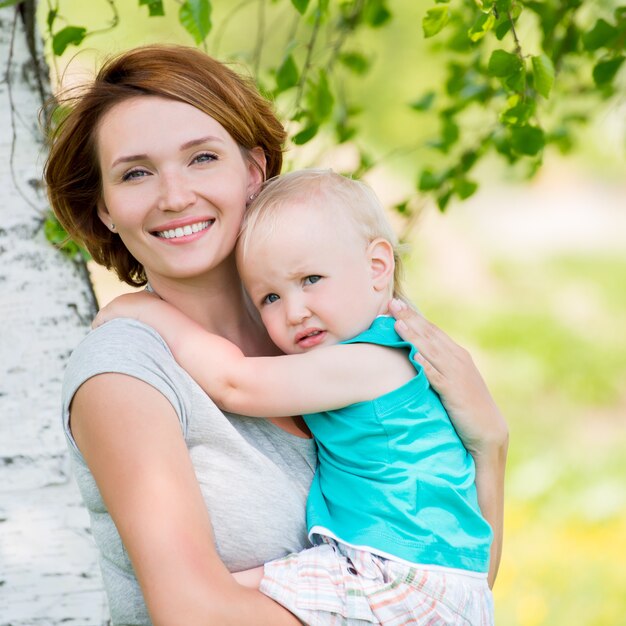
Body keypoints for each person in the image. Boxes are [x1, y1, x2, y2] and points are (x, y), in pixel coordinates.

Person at [44, 44, 508, 625]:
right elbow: (195, 616)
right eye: (135, 172)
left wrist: (490, 444)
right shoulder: (126, 369)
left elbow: (443, 584)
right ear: (106, 209)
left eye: (202, 158)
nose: (174, 195)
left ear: (254, 171)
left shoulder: (319, 330)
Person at [95, 169, 496, 625]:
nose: (294, 311)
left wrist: (143, 309)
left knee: (226, 592)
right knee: (225, 589)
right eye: (269, 297)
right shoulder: (378, 352)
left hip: (403, 576)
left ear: (377, 267)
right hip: (434, 572)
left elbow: (235, 382)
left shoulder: (371, 363)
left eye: (310, 279)